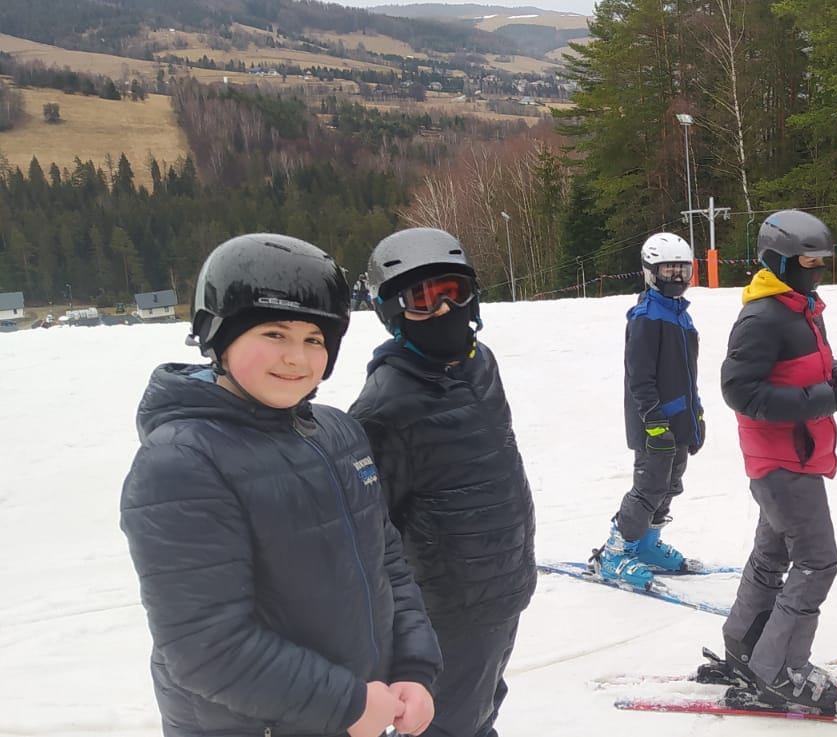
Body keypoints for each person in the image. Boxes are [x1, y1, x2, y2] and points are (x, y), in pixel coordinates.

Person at [121, 234, 441, 737]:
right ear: (219, 337)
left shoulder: (339, 433)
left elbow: (388, 566)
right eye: (274, 333)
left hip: (353, 713)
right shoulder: (181, 463)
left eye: (314, 339)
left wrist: (413, 667)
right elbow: (206, 646)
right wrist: (346, 704)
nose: (297, 358)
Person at [348, 228, 536, 737]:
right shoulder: (384, 406)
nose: (443, 310)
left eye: (453, 291)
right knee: (448, 718)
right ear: (391, 312)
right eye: (422, 300)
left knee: (484, 697)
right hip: (452, 605)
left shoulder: (480, 363)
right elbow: (372, 531)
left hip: (506, 580)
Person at [720, 209, 837, 716]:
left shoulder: (801, 307)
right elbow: (739, 391)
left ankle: (746, 646)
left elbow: (819, 363)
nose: (818, 271)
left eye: (822, 262)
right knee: (816, 560)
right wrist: (821, 400)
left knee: (772, 554)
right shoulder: (763, 317)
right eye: (808, 262)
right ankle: (780, 670)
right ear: (778, 261)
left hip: (793, 456)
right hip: (781, 460)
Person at [593, 233, 705, 588]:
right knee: (649, 488)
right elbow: (639, 379)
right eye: (668, 270)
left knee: (670, 485)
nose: (677, 277)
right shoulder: (646, 317)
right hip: (653, 422)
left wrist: (697, 414)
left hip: (679, 420)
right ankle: (615, 552)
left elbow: (687, 375)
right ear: (650, 273)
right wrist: (654, 421)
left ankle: (646, 544)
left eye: (682, 270)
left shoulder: (681, 316)